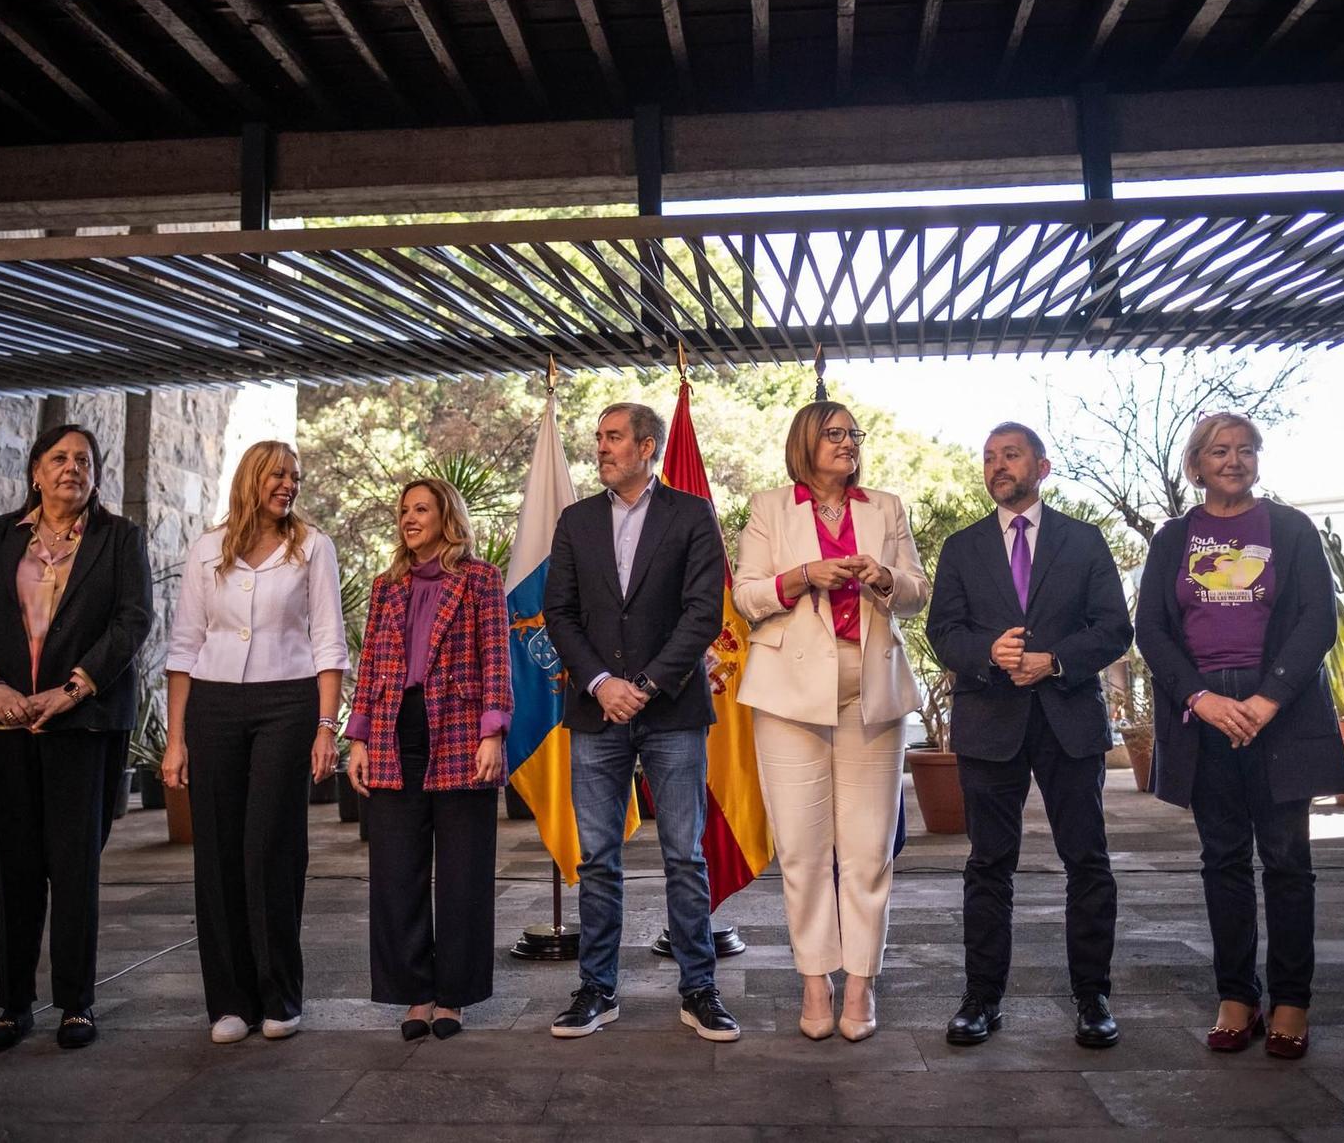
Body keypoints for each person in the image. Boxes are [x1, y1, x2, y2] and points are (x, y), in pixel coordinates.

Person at [1135, 412, 1344, 1060]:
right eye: (1219, 450)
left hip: (1280, 712)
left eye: (1245, 449)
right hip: (1204, 718)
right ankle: (1237, 996)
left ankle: (1291, 1000)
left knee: (1288, 861)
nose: (1234, 460)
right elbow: (1152, 630)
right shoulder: (1173, 539)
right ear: (1196, 464)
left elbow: (1318, 620)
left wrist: (1267, 699)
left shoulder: (1289, 529)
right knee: (1223, 860)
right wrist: (1200, 698)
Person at [0, 422, 152, 1052]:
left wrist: (72, 690)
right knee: (16, 866)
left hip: (82, 723)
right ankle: (12, 1006)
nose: (72, 468)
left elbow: (132, 620)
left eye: (84, 460)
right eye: (59, 458)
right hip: (3, 723)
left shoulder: (119, 539)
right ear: (36, 470)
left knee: (74, 864)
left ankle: (76, 1004)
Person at [925, 422, 1132, 1050]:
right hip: (990, 723)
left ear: (1041, 467)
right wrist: (987, 654)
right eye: (988, 458)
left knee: (1087, 861)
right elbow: (943, 633)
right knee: (989, 864)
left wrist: (1056, 660)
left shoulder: (1084, 540)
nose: (997, 466)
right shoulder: (962, 549)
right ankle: (981, 999)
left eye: (1010, 455)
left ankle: (1092, 996)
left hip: (1068, 721)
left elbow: (1113, 628)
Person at [542, 402, 740, 1042]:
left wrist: (646, 685)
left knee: (684, 855)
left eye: (614, 437)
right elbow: (560, 614)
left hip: (674, 711)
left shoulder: (691, 515)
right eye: (598, 437)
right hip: (596, 712)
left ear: (648, 446)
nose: (601, 447)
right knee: (597, 858)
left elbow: (703, 613)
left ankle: (699, 989)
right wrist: (602, 683)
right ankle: (598, 988)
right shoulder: (575, 522)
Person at [732, 401, 929, 1042]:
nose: (847, 442)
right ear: (806, 443)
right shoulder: (769, 507)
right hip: (789, 695)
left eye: (853, 434)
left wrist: (885, 579)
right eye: (834, 434)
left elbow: (917, 591)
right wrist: (802, 577)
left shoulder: (887, 506)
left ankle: (862, 985)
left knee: (869, 851)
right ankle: (815, 982)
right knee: (802, 851)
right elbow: (747, 596)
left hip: (872, 694)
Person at [162, 440, 349, 1045]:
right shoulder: (205, 550)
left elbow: (328, 642)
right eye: (278, 474)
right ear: (251, 479)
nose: (289, 484)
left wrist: (326, 726)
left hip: (288, 704)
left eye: (295, 476)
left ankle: (280, 996)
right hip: (213, 707)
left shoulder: (312, 547)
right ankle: (229, 1003)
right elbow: (184, 647)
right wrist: (175, 739)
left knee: (271, 845)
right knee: (215, 850)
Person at [344, 477, 513, 1041]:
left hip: (462, 731)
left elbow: (497, 656)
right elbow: (370, 666)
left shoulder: (481, 578)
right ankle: (414, 994)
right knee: (396, 873)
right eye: (404, 510)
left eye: (421, 509)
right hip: (395, 735)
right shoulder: (385, 586)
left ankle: (454, 998)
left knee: (464, 873)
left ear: (447, 516)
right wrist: (359, 737)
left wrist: (494, 731)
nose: (409, 518)